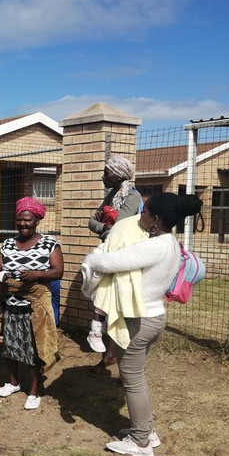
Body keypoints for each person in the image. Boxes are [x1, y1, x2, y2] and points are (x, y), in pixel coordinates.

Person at [84, 193, 202, 456]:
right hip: (154, 318)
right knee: (137, 377)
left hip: (141, 321)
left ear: (155, 219)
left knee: (132, 380)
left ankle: (140, 443)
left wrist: (92, 258)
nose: (141, 215)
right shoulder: (170, 242)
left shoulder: (155, 246)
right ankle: (147, 431)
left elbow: (111, 262)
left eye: (145, 211)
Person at [0, 198, 63, 410]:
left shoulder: (49, 243)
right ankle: (13, 382)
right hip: (10, 304)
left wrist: (36, 274)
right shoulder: (8, 244)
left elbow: (58, 271)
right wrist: (0, 275)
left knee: (34, 349)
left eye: (27, 220)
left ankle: (34, 391)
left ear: (37, 220)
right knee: (10, 345)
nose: (23, 224)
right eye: (19, 219)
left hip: (35, 306)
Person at [87, 155, 144, 365]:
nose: (103, 177)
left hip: (125, 255)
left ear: (119, 174)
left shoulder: (132, 197)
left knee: (115, 302)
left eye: (106, 172)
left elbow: (119, 230)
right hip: (111, 252)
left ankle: (115, 353)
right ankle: (110, 353)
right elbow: (92, 222)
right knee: (106, 300)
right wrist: (104, 227)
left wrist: (106, 227)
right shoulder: (112, 195)